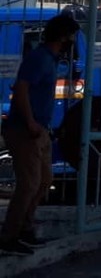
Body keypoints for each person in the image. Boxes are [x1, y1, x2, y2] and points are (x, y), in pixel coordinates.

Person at [0, 14, 80, 256]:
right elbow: (21, 89)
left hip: (40, 129)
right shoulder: (39, 58)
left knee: (44, 181)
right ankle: (9, 236)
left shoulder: (50, 60)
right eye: (72, 36)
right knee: (29, 184)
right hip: (26, 130)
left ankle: (25, 229)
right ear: (63, 36)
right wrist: (31, 122)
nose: (73, 41)